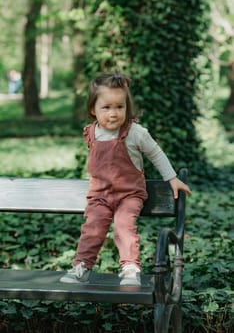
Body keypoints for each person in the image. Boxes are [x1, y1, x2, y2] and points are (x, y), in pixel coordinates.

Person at [60, 73, 191, 286]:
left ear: (127, 107)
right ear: (93, 109)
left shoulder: (135, 133)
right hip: (100, 195)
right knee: (92, 227)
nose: (113, 114)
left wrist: (172, 178)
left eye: (119, 107)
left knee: (124, 225)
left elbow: (156, 153)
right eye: (106, 107)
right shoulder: (92, 133)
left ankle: (131, 268)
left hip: (129, 194)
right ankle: (82, 266)